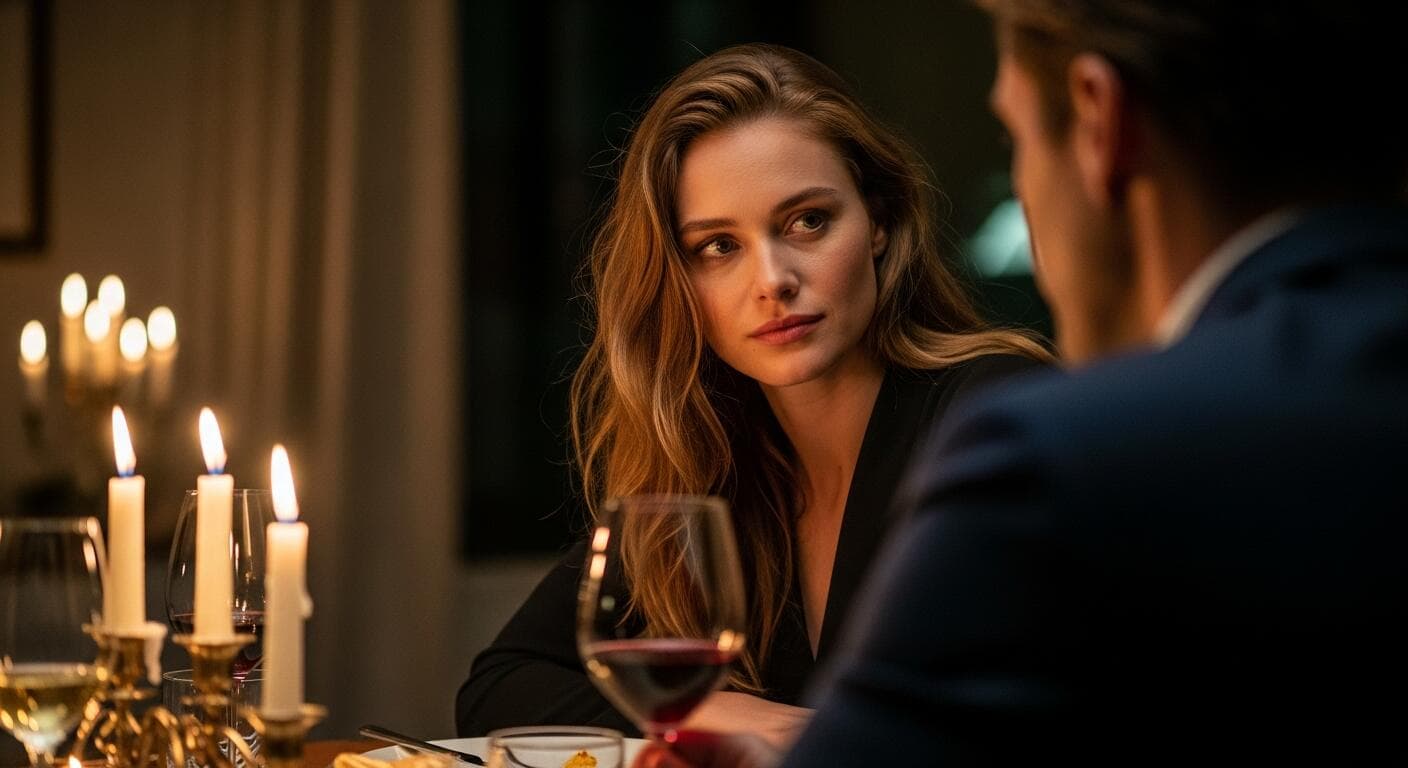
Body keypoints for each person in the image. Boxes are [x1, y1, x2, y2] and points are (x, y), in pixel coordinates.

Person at [637, 1, 1408, 765]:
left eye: (1015, 138)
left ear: (1099, 120)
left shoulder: (1060, 454)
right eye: (716, 246)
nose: (772, 281)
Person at [455, 43, 1051, 743]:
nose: (772, 279)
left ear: (880, 224)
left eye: (808, 221)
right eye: (718, 246)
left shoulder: (996, 414)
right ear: (680, 283)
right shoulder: (711, 457)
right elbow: (500, 683)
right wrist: (723, 714)